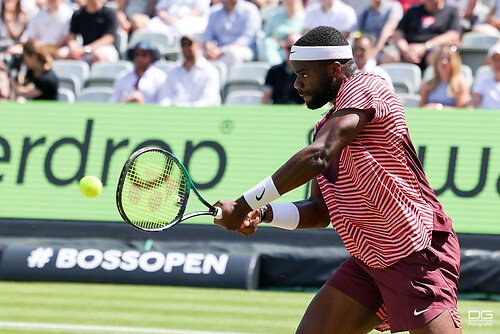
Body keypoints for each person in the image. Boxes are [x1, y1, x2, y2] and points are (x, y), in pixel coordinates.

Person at [213, 26, 461, 333]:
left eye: (304, 73)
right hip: (369, 261)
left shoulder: (367, 86)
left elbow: (318, 156)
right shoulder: (325, 129)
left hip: (416, 251)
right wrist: (261, 213)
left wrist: (242, 203)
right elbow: (319, 211)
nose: (297, 83)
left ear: (334, 69)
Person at [392, 0, 461, 71]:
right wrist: (405, 50)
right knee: (390, 56)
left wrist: (425, 47)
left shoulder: (452, 11)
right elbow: (398, 32)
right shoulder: (413, 10)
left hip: (433, 49)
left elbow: (453, 35)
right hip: (409, 50)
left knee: (438, 58)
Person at [159, 34, 221, 107]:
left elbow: (208, 101)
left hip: (200, 115)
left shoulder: (210, 71)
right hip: (175, 115)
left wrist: (185, 108)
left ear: (198, 46)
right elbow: (164, 99)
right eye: (183, 45)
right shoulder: (172, 72)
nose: (186, 48)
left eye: (189, 44)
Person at [54, 0, 119, 64]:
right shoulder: (78, 14)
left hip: (105, 48)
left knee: (99, 56)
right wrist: (74, 49)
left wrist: (87, 49)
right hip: (84, 48)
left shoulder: (109, 13)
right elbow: (72, 35)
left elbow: (109, 38)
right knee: (60, 54)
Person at [202, 0, 261, 69]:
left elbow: (246, 39)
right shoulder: (214, 11)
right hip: (217, 51)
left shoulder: (250, 10)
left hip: (244, 50)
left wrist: (222, 51)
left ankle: (223, 79)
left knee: (233, 53)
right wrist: (209, 49)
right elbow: (207, 36)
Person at [261, 32, 304, 104]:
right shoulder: (273, 71)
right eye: (289, 48)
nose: (292, 52)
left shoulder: (310, 73)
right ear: (283, 48)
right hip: (276, 114)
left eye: (297, 49)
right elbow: (265, 99)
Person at [260, 0, 305, 66]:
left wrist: (287, 44)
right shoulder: (274, 16)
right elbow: (266, 37)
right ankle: (275, 70)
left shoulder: (305, 17)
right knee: (267, 42)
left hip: (294, 52)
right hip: (276, 51)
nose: (289, 1)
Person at [143, 0, 211, 38]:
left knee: (180, 27)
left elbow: (199, 11)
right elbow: (160, 9)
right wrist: (166, 18)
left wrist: (178, 18)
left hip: (189, 20)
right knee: (151, 25)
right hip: (167, 20)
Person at [470, 43, 500, 109]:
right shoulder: (483, 82)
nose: (498, 63)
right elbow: (472, 105)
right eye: (495, 60)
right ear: (491, 62)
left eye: (499, 59)